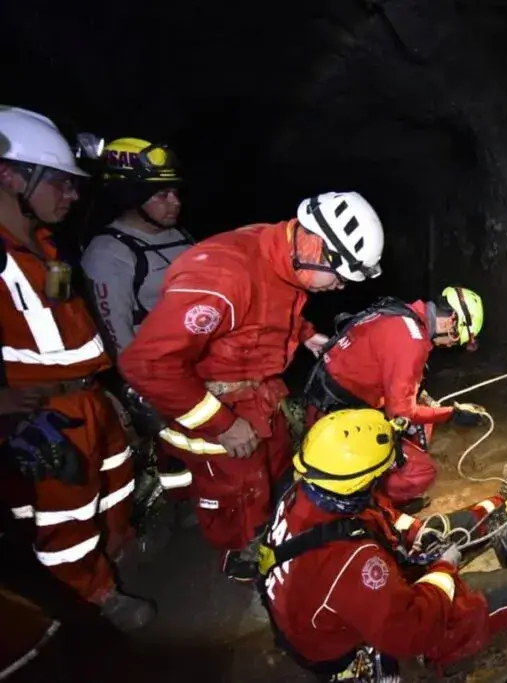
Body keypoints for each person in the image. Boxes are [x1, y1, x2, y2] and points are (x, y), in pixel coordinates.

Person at [117, 190, 386, 581]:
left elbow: (271, 307)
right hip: (212, 406)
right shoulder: (222, 279)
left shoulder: (280, 251)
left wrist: (305, 335)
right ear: (314, 246)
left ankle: (271, 533)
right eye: (341, 275)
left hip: (258, 394)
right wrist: (222, 424)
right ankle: (239, 559)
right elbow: (148, 363)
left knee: (276, 471)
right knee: (237, 494)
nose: (341, 286)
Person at [258, 408, 507, 680]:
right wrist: (444, 569)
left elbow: (374, 515)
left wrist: (418, 534)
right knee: (471, 599)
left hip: (327, 609)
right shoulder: (356, 564)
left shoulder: (312, 491)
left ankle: (503, 506)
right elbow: (413, 630)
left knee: (443, 527)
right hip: (347, 647)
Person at [0, 106, 153, 629]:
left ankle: (118, 549)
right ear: (10, 176)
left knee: (115, 478)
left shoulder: (43, 244)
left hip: (85, 394)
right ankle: (92, 594)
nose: (72, 194)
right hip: (43, 412)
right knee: (65, 511)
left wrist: (97, 385)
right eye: (60, 182)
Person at [80, 137, 196, 517]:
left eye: (175, 192)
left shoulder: (181, 236)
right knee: (175, 452)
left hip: (200, 365)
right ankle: (175, 509)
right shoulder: (109, 252)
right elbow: (115, 333)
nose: (175, 202)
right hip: (159, 376)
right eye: (162, 194)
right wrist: (141, 395)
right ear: (131, 196)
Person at [304, 286, 488, 504]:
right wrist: (452, 414)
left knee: (424, 416)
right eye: (455, 340)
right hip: (337, 424)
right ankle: (375, 504)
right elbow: (402, 414)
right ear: (451, 322)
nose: (450, 345)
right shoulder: (411, 342)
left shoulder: (400, 312)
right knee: (421, 472)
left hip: (331, 400)